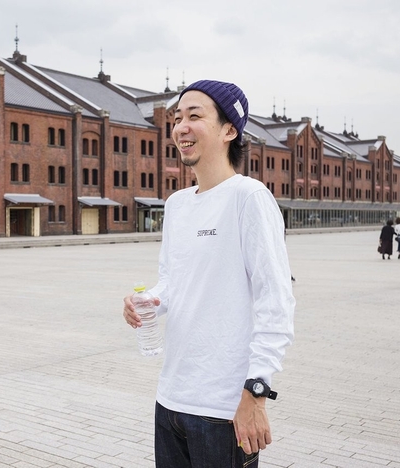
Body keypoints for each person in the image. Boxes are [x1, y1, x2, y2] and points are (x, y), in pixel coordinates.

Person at [122, 80, 295, 467]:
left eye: (194, 116)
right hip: (171, 399)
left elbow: (276, 301)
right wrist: (148, 301)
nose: (181, 127)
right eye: (176, 118)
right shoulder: (177, 204)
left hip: (223, 408)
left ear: (229, 130)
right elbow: (173, 281)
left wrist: (256, 391)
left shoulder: (249, 197)